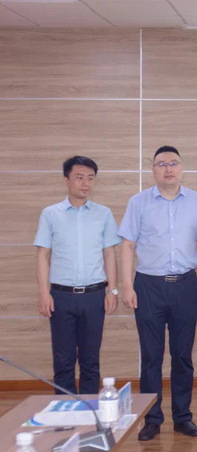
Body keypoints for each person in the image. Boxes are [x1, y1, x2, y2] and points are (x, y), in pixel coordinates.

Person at [119, 145, 197, 441]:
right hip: (148, 286)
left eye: (173, 163)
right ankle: (152, 418)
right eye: (162, 164)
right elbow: (127, 246)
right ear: (153, 170)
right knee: (151, 356)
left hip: (185, 285)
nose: (168, 168)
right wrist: (126, 285)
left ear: (181, 168)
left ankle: (183, 417)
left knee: (182, 355)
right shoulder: (138, 202)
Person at [34, 156, 120, 395]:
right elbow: (43, 255)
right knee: (63, 362)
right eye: (79, 178)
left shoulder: (103, 214)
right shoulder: (50, 214)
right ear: (66, 180)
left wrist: (113, 290)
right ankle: (66, 410)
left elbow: (109, 254)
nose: (85, 183)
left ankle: (89, 411)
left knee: (91, 361)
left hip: (94, 295)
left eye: (90, 178)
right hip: (61, 296)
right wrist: (43, 293)